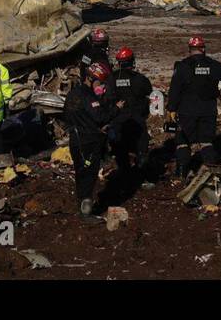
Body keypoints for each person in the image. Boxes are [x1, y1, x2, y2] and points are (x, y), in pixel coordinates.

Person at [167, 35, 221, 178]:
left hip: (186, 111)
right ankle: (212, 173)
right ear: (203, 49)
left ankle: (181, 173)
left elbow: (175, 89)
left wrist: (172, 108)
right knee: (206, 141)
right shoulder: (213, 65)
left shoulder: (182, 66)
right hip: (208, 110)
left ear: (190, 49)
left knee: (182, 142)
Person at [62, 60, 114, 216]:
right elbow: (99, 117)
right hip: (89, 142)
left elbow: (67, 115)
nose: (101, 85)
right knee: (89, 175)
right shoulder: (89, 97)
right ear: (92, 79)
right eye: (100, 81)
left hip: (75, 140)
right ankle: (86, 209)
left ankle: (81, 204)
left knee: (80, 172)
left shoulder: (72, 94)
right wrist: (116, 109)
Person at [106, 46, 153, 184]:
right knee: (141, 150)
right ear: (132, 61)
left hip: (119, 121)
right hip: (137, 120)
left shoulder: (111, 79)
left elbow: (108, 99)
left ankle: (124, 177)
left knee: (121, 151)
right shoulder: (141, 79)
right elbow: (149, 94)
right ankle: (142, 178)